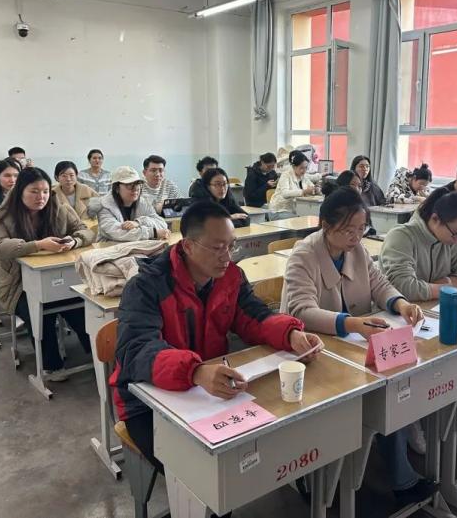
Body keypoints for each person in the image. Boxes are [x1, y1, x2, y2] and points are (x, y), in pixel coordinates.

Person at [109, 201, 321, 480]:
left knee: (276, 442)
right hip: (147, 403)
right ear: (188, 246)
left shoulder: (230, 277)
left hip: (213, 389)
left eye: (231, 246)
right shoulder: (147, 286)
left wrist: (290, 334)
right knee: (201, 474)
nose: (227, 257)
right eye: (218, 248)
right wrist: (195, 371)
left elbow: (253, 316)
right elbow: (136, 351)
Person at [280, 187, 433, 505]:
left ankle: (401, 478)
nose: (356, 236)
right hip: (311, 351)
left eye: (362, 228)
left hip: (350, 349)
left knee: (391, 388)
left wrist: (401, 304)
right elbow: (301, 312)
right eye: (348, 229)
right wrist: (352, 324)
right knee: (364, 401)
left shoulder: (357, 251)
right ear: (325, 224)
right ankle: (315, 478)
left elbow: (379, 284)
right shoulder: (303, 255)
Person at [379, 191, 457, 428]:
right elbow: (403, 286)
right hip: (400, 323)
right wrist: (453, 286)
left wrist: (445, 284)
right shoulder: (402, 237)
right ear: (435, 219)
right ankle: (412, 422)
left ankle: (437, 420)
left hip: (434, 320)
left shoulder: (451, 240)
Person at [0, 167, 94, 378]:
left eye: (45, 191)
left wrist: (74, 241)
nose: (41, 197)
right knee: (41, 310)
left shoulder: (58, 208)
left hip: (56, 278)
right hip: (16, 283)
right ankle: (51, 365)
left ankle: (97, 355)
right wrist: (37, 245)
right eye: (34, 191)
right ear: (20, 191)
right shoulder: (6, 215)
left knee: (80, 305)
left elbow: (86, 231)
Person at [95, 166, 170, 242]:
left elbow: (162, 224)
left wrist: (139, 222)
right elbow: (118, 233)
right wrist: (153, 233)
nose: (135, 189)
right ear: (117, 188)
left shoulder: (143, 202)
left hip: (137, 246)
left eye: (137, 184)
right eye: (129, 185)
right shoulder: (104, 206)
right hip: (109, 247)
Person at [269, 151, 318, 218]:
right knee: (300, 220)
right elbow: (285, 193)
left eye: (306, 167)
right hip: (279, 210)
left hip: (294, 210)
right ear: (294, 166)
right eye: (301, 168)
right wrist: (303, 191)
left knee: (311, 217)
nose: (304, 170)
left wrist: (316, 190)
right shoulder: (285, 175)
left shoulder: (303, 176)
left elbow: (312, 187)